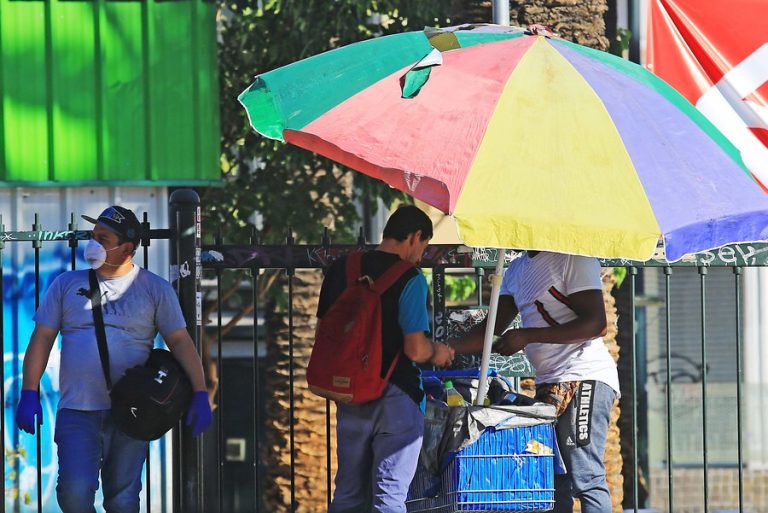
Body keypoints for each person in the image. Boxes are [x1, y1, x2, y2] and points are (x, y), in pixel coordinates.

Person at [15, 205, 212, 513]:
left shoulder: (154, 289)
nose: (93, 244)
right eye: (93, 236)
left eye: (103, 238)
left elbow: (180, 342)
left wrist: (200, 393)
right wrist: (29, 391)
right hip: (77, 411)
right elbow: (41, 338)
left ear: (127, 248)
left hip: (133, 412)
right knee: (74, 495)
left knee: (123, 500)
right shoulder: (66, 285)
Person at [450, 251, 619, 513]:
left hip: (584, 376)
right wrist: (445, 350)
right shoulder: (516, 270)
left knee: (585, 475)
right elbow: (490, 329)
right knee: (553, 478)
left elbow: (596, 324)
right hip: (549, 382)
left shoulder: (572, 259)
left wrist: (527, 335)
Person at [317, 205, 454, 513]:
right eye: (424, 246)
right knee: (389, 497)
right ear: (415, 236)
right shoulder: (410, 277)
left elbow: (324, 332)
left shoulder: (342, 269)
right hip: (397, 396)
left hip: (350, 394)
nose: (421, 256)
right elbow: (415, 350)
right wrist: (439, 351)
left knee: (348, 494)